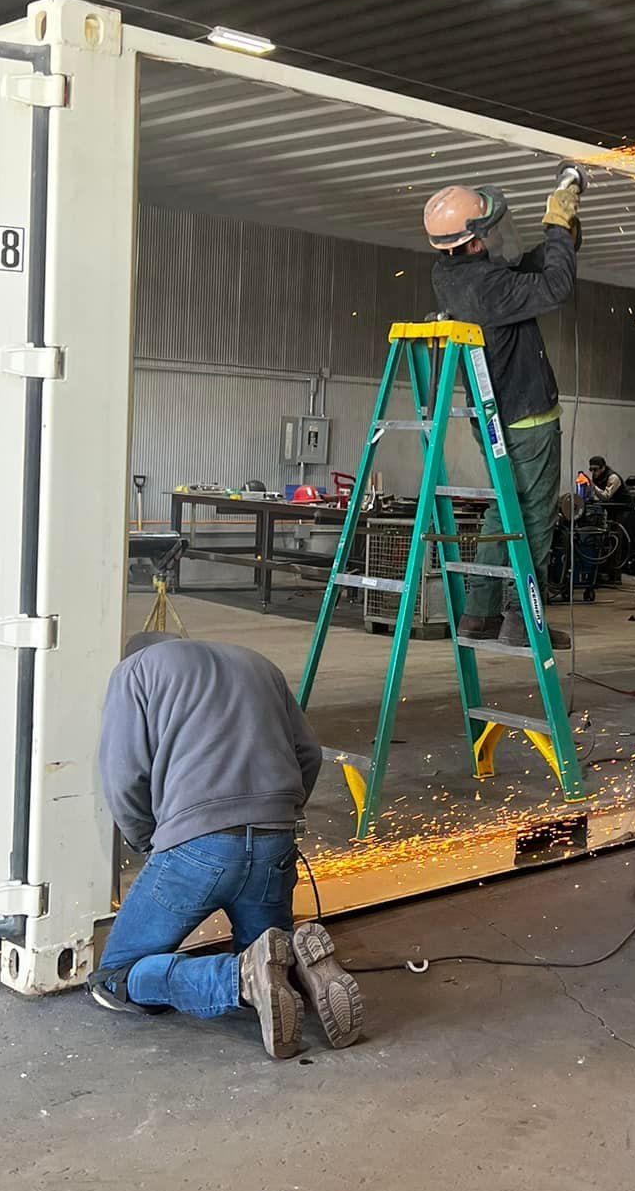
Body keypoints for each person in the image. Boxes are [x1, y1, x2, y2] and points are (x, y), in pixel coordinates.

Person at [88, 633, 364, 1059]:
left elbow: (124, 774)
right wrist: (278, 815)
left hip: (196, 847)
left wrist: (149, 841)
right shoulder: (258, 661)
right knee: (266, 948)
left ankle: (236, 979)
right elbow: (308, 754)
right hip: (276, 843)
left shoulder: (134, 671)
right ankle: (296, 968)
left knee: (113, 978)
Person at [424, 176, 581, 648]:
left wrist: (563, 238)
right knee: (533, 520)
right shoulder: (489, 285)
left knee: (500, 513)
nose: (494, 235)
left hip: (490, 416)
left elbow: (519, 270)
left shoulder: (450, 274)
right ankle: (521, 618)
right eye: (487, 230)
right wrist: (556, 224)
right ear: (471, 241)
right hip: (527, 418)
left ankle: (479, 612)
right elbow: (555, 287)